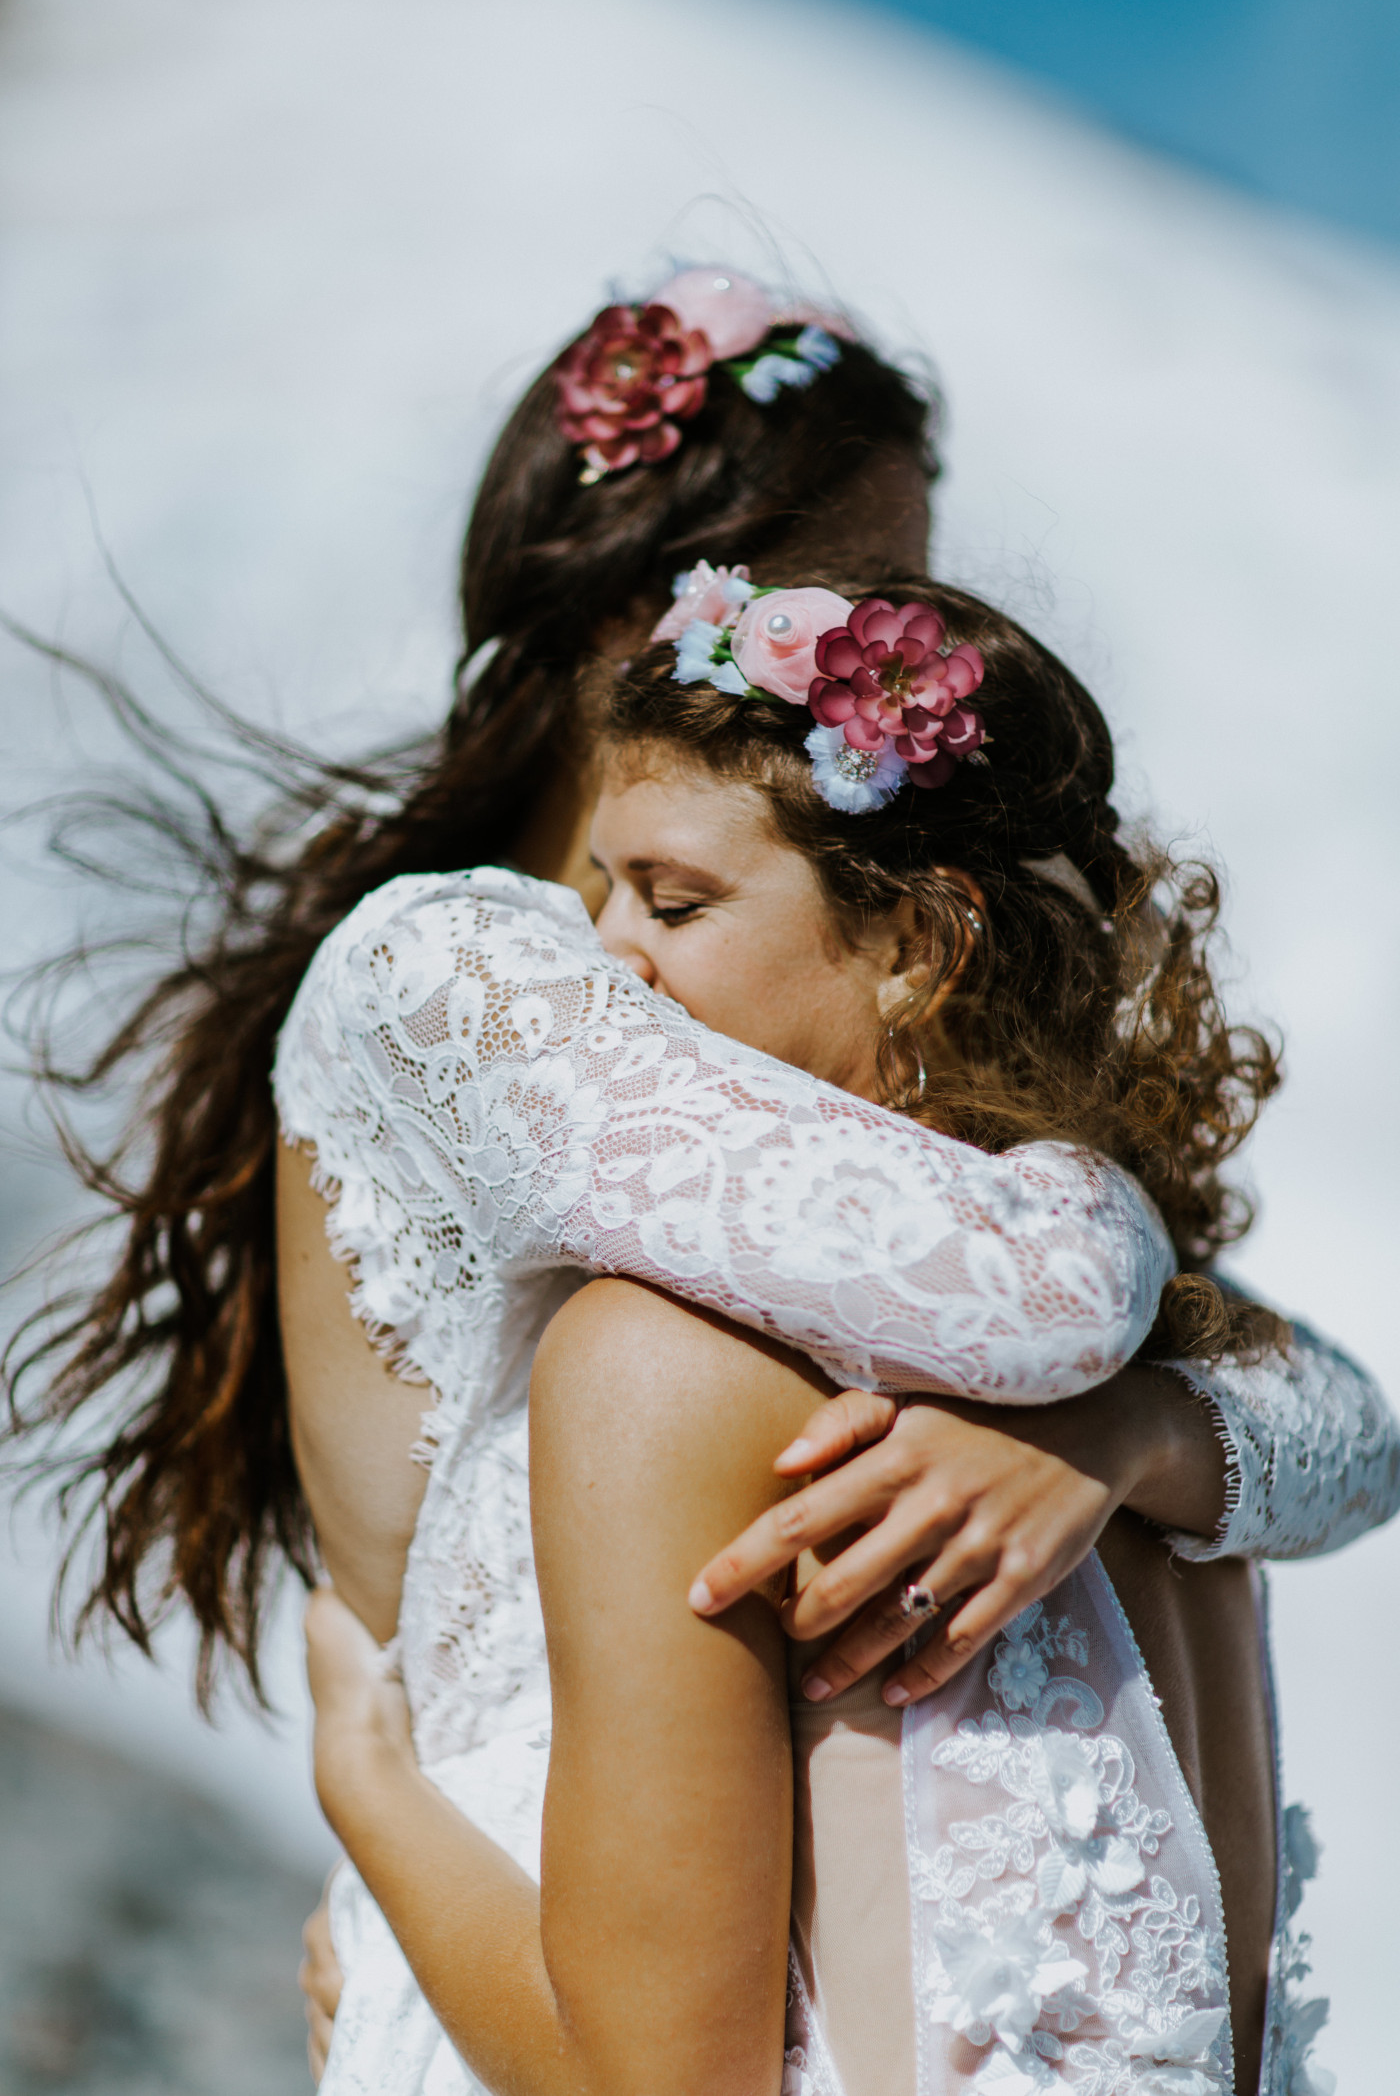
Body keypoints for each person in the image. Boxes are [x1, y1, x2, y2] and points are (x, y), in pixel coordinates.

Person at [5, 272, 1390, 2086]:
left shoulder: (836, 1036)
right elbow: (1042, 1292)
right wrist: (1112, 1331)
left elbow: (1341, 1418)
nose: (908, 650)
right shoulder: (462, 980)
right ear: (680, 597)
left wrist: (1117, 1447)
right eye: (866, 586)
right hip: (580, 1973)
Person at [299, 571, 1377, 2096]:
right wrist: (1126, 1432)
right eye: (598, 891)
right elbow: (1363, 1435)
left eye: (675, 903)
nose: (606, 957)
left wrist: (369, 1790)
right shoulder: (1176, 1377)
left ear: (920, 947)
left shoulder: (669, 1366)